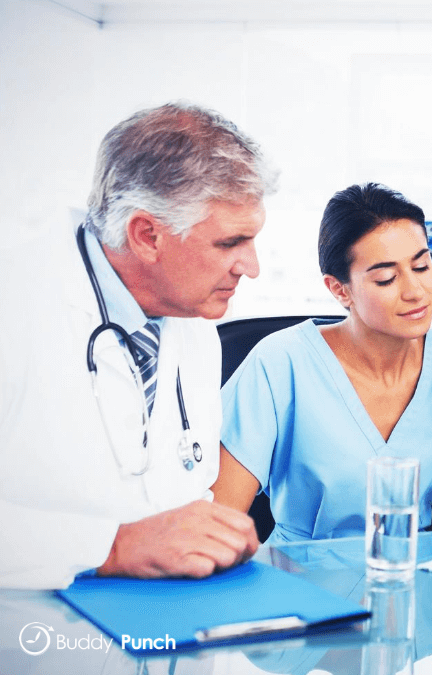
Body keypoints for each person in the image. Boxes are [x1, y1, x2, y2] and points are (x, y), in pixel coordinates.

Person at [0, 102, 273, 589]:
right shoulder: (15, 306)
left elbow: (179, 492)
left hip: (163, 631)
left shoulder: (193, 325)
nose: (250, 267)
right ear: (147, 235)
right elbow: (131, 537)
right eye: (230, 243)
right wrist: (115, 545)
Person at [213, 183, 432, 544]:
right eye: (386, 278)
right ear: (339, 289)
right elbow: (217, 518)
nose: (415, 291)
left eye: (422, 266)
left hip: (425, 578)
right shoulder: (278, 366)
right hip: (302, 577)